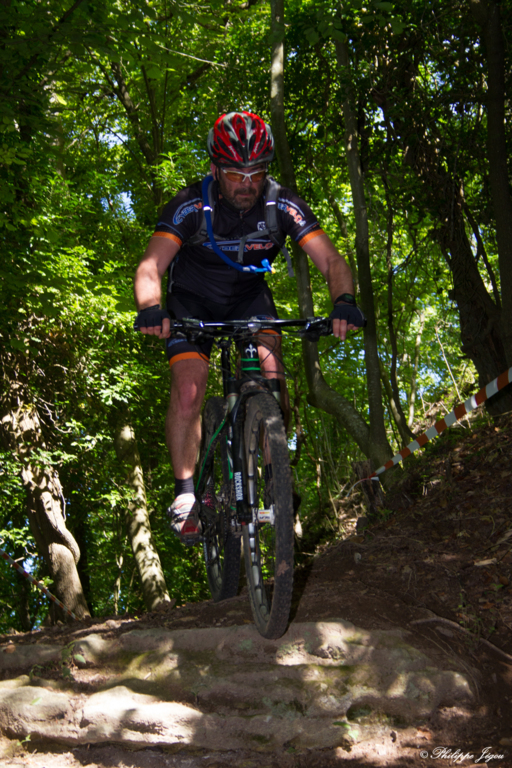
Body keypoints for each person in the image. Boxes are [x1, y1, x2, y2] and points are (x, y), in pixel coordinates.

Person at [134, 111, 365, 545]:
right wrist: (151, 308)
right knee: (189, 389)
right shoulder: (189, 204)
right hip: (192, 300)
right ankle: (186, 495)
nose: (247, 183)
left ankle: (277, 477)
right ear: (214, 169)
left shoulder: (282, 204)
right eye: (235, 174)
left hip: (249, 299)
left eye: (256, 173)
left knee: (271, 375)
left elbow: (331, 260)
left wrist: (344, 302)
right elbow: (151, 266)